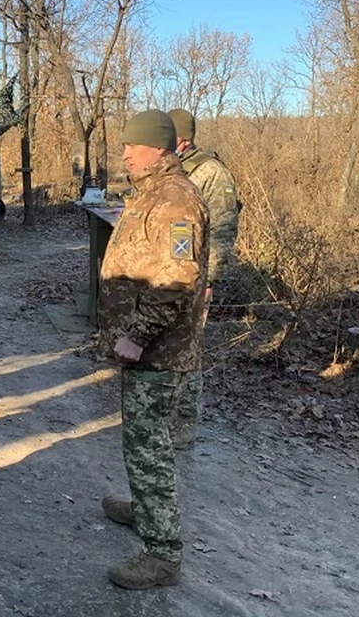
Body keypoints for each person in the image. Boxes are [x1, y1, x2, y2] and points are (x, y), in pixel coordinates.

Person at [97, 109, 209, 590]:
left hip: (158, 352)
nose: (124, 153)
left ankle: (163, 553)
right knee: (141, 441)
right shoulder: (153, 195)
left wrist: (137, 335)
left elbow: (176, 280)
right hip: (151, 350)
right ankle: (145, 509)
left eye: (133, 146)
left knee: (149, 447)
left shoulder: (175, 201)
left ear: (160, 149)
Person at [166, 108, 240, 447]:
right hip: (169, 275)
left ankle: (183, 427)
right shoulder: (175, 169)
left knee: (188, 352)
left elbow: (223, 231)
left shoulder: (212, 173)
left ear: (182, 138)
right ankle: (163, 417)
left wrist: (210, 280)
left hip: (197, 278)